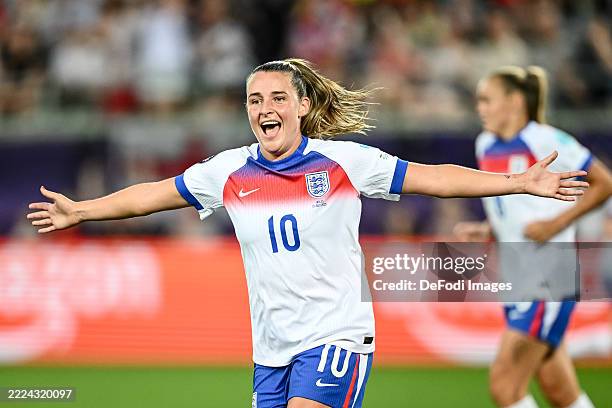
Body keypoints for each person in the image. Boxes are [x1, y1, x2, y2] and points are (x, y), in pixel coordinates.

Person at [27, 59, 589, 408]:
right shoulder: (228, 170)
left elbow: (433, 179)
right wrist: (84, 211)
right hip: (270, 349)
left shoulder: (343, 162)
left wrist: (519, 182)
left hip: (335, 336)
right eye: (254, 100)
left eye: (277, 98)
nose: (265, 108)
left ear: (302, 106)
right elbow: (152, 193)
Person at [454, 66, 612, 408]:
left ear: (513, 102)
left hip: (548, 277)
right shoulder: (485, 144)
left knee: (505, 387)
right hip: (516, 277)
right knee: (559, 390)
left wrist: (556, 225)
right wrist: (487, 228)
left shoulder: (545, 140)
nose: (479, 108)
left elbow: (604, 182)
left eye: (486, 100)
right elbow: (510, 207)